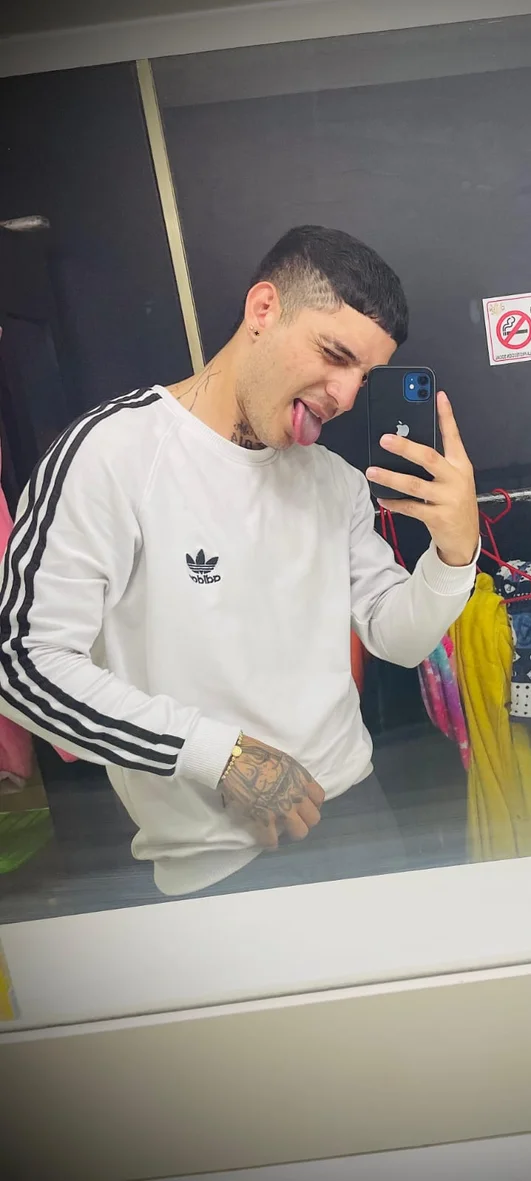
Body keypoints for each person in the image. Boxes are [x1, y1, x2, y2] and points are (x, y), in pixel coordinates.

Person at [0, 226, 480, 898]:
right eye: (335, 355)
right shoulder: (112, 456)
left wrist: (455, 553)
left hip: (359, 813)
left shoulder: (334, 480)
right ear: (263, 309)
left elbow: (397, 638)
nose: (345, 396)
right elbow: (22, 664)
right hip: (218, 862)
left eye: (363, 376)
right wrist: (219, 756)